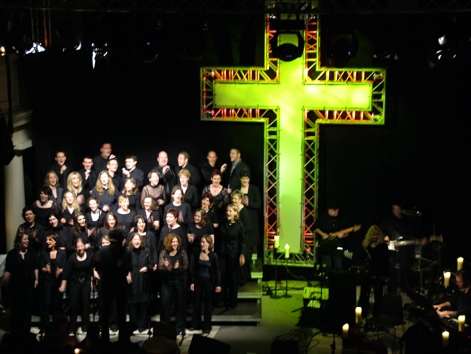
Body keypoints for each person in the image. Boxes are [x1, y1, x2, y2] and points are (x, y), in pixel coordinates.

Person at [94, 229, 131, 343]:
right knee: (121, 313)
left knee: (105, 313)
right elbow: (127, 270)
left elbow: (97, 266)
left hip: (106, 284)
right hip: (120, 285)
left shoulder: (102, 251)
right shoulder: (127, 252)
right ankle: (123, 340)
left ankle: (104, 341)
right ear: (121, 240)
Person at [2, 232, 39, 337]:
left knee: (27, 310)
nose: (27, 241)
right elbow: (8, 271)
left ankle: (26, 333)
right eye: (25, 239)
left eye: (28, 239)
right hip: (16, 287)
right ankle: (16, 334)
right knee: (17, 311)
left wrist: (36, 279)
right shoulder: (12, 254)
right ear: (19, 241)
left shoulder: (31, 253)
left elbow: (35, 267)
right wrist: (4, 282)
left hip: (28, 286)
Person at [60, 237, 94, 335]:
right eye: (78, 246)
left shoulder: (90, 256)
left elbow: (91, 270)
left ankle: (85, 326)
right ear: (75, 248)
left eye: (81, 246)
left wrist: (92, 281)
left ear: (84, 246)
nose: (80, 248)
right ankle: (72, 327)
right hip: (74, 283)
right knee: (74, 305)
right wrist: (63, 285)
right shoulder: (72, 258)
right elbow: (66, 272)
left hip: (86, 283)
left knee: (85, 304)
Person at [158, 233, 189, 336]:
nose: (175, 243)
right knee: (165, 305)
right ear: (168, 242)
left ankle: (180, 327)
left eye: (176, 241)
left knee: (180, 305)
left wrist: (176, 268)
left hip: (179, 282)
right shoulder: (163, 253)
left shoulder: (182, 252)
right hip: (166, 283)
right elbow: (161, 268)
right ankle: (166, 328)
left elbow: (185, 266)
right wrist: (170, 268)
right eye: (173, 241)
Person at [190, 235, 221, 334]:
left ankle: (207, 326)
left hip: (209, 283)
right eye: (201, 242)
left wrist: (218, 284)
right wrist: (192, 282)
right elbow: (193, 270)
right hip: (198, 282)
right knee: (196, 304)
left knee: (208, 305)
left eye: (204, 242)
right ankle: (196, 325)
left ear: (209, 243)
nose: (202, 244)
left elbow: (217, 271)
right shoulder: (196, 254)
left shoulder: (213, 255)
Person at [314, 205, 360, 271]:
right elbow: (315, 228)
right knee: (327, 266)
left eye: (337, 210)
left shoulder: (342, 219)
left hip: (337, 246)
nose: (336, 212)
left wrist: (343, 235)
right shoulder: (322, 218)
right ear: (329, 210)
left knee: (338, 265)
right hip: (325, 246)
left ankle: (337, 277)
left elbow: (347, 233)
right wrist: (323, 234)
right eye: (334, 210)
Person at [358, 225, 389, 317]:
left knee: (378, 295)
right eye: (372, 234)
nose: (374, 236)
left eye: (376, 234)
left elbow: (385, 261)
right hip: (368, 272)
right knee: (364, 295)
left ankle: (377, 315)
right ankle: (362, 314)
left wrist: (385, 275)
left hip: (378, 273)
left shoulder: (383, 246)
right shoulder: (365, 246)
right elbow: (361, 259)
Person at [219, 204, 246, 309]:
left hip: (234, 255)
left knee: (233, 279)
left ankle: (232, 302)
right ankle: (224, 301)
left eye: (230, 211)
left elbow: (243, 242)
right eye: (227, 211)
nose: (227, 213)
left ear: (235, 213)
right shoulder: (224, 224)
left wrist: (242, 254)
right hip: (223, 254)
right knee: (224, 278)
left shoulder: (239, 225)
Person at [38, 233, 66, 332]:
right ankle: (45, 326)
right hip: (47, 281)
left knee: (57, 303)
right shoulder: (43, 252)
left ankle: (56, 326)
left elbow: (65, 267)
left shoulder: (62, 253)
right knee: (46, 303)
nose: (47, 242)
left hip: (58, 281)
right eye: (47, 240)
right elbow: (40, 266)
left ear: (55, 241)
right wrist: (45, 268)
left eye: (50, 240)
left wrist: (61, 270)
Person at [127, 234, 151, 334]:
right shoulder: (127, 252)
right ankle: (134, 325)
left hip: (143, 279)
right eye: (134, 239)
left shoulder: (146, 251)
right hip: (132, 279)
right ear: (131, 241)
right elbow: (123, 265)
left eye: (138, 239)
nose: (137, 241)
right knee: (132, 303)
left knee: (143, 302)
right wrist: (127, 274)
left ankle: (142, 326)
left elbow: (151, 264)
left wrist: (147, 268)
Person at [239, 173, 262, 256]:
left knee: (253, 243)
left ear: (249, 179)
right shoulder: (238, 189)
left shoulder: (254, 189)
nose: (245, 180)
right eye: (243, 178)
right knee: (242, 241)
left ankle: (254, 261)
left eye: (246, 178)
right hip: (241, 219)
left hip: (252, 220)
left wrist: (249, 203)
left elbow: (259, 204)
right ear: (240, 179)